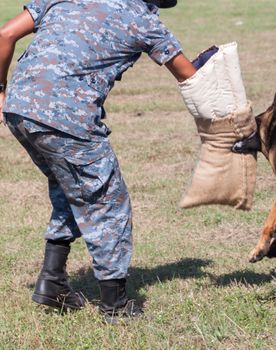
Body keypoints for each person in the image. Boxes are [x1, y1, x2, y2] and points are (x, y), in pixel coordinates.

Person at [0, 0, 197, 323]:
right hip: (65, 116)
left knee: (71, 189)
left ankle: (53, 281)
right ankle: (115, 304)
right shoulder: (144, 21)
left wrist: (0, 90)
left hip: (20, 107)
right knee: (108, 202)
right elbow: (187, 76)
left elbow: (5, 35)